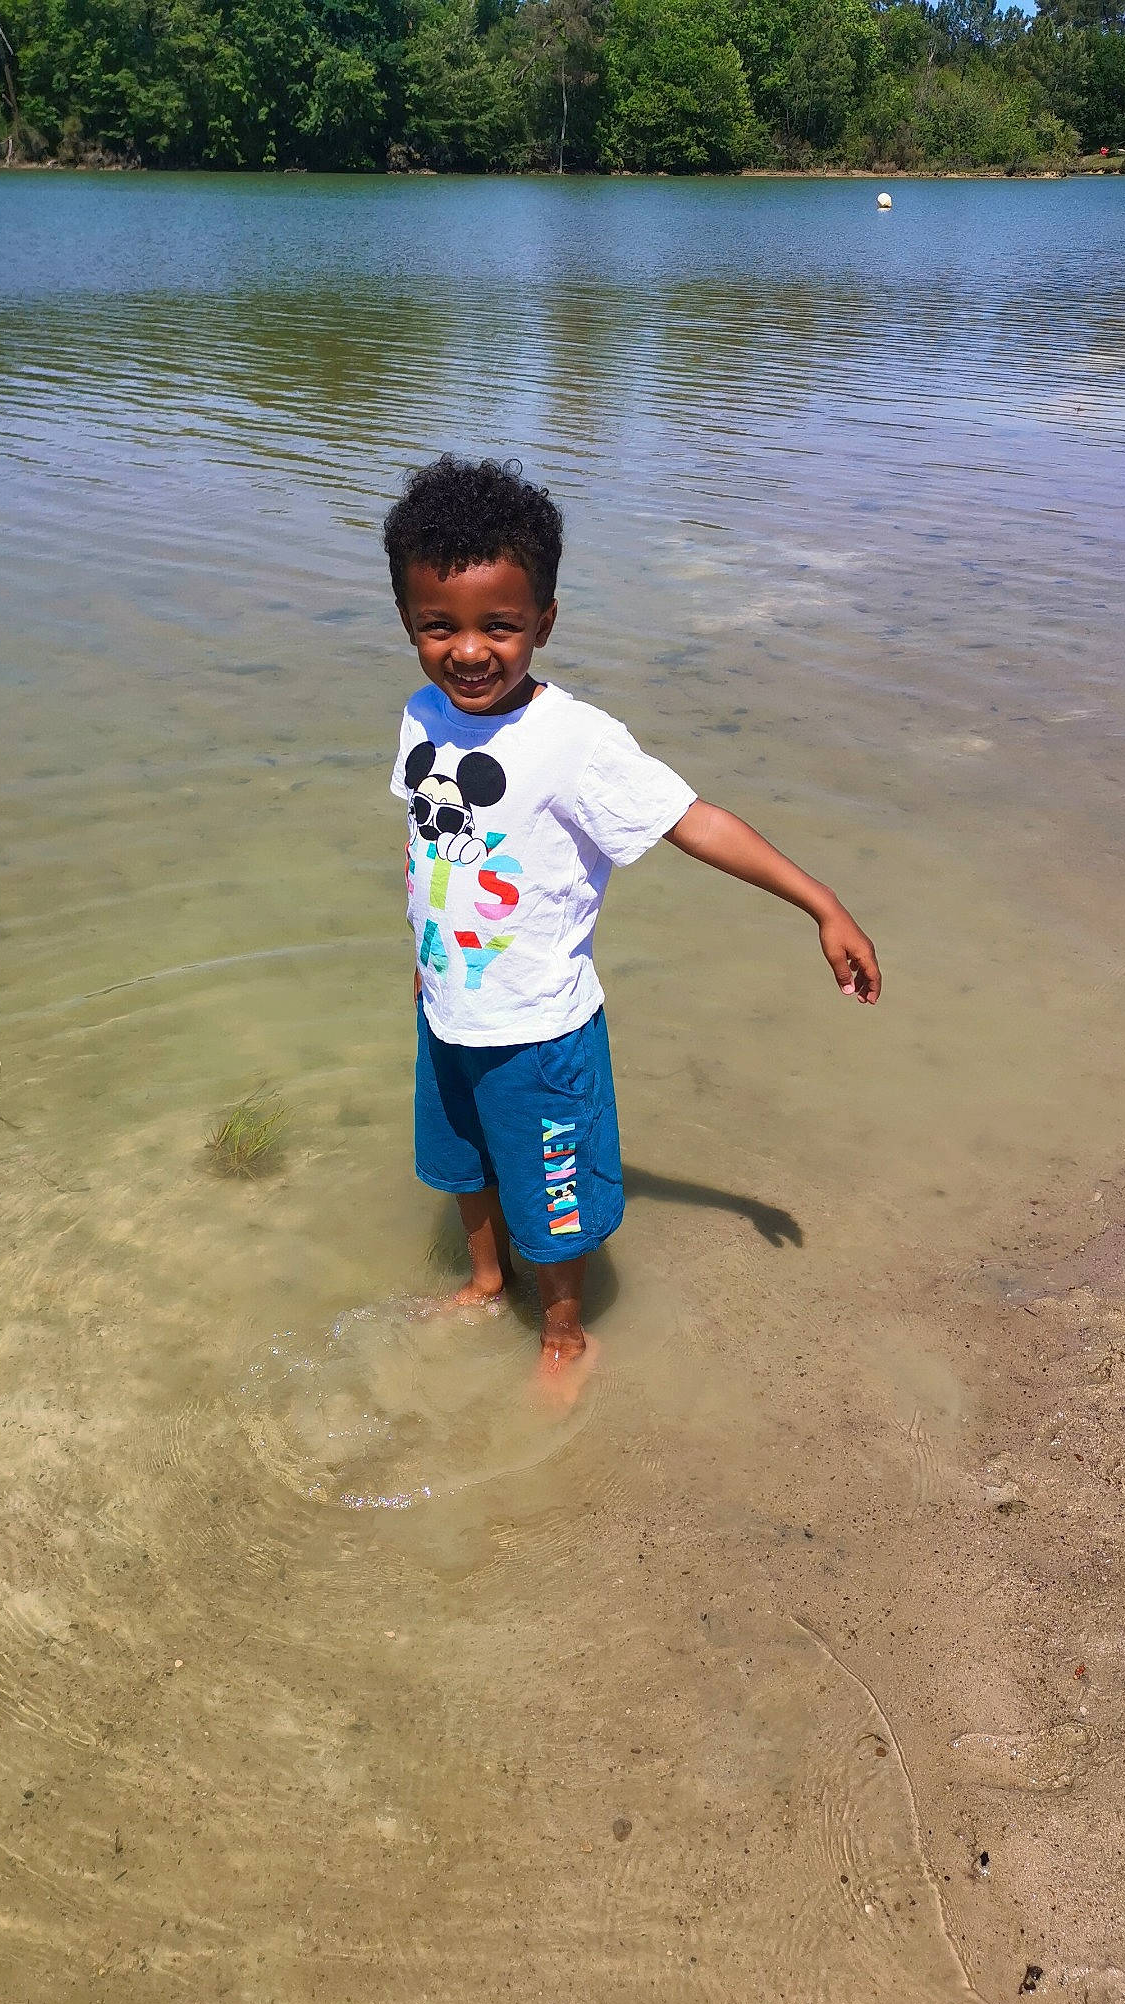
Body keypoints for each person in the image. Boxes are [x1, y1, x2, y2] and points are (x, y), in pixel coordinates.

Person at [384, 456, 880, 1394]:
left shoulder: (575, 742)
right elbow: (426, 845)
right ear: (409, 624)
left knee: (554, 1209)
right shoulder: (421, 717)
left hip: (540, 1031)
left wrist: (823, 904)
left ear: (545, 620)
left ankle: (567, 1334)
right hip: (448, 1009)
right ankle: (487, 1286)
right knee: (463, 1169)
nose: (469, 651)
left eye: (500, 625)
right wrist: (419, 956)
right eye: (437, 627)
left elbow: (695, 821)